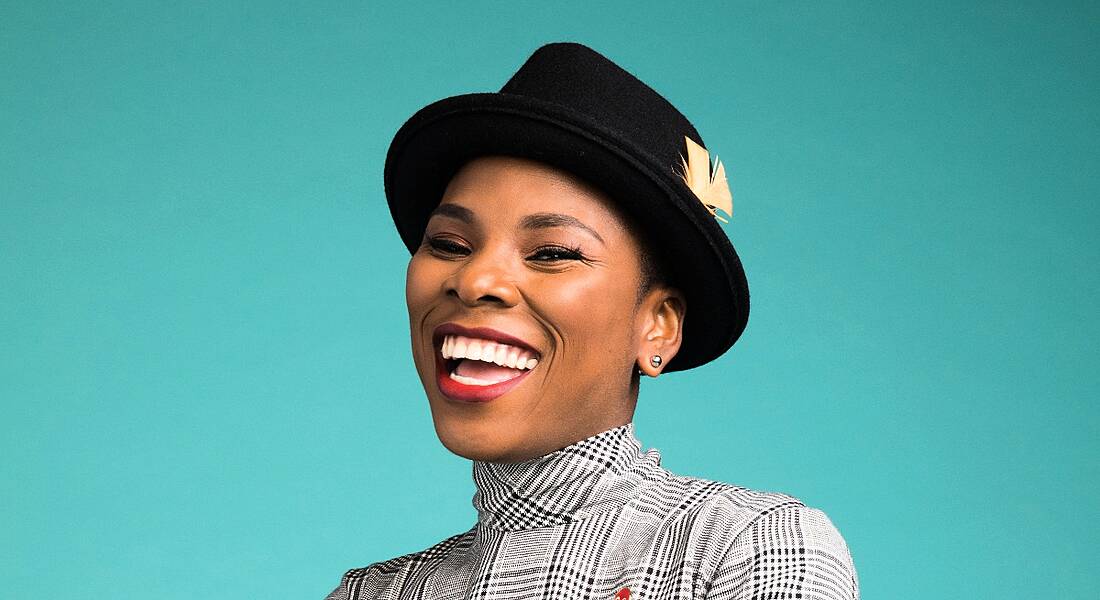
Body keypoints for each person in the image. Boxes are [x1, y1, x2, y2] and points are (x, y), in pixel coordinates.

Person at [326, 42, 859, 600]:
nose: (475, 280)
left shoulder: (748, 545)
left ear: (658, 326)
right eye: (449, 243)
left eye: (553, 252)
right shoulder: (376, 591)